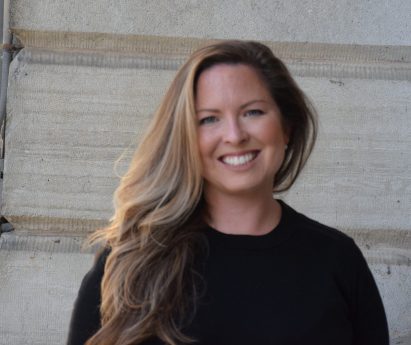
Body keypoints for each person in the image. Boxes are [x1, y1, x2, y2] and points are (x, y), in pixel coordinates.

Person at [67, 40, 389, 345]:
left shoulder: (336, 260)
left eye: (253, 112)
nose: (234, 135)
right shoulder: (130, 263)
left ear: (287, 126)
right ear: (186, 139)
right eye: (209, 119)